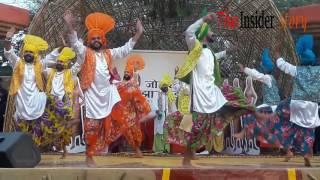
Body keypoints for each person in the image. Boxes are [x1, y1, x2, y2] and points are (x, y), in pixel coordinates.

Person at [175, 11, 259, 166]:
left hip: (213, 92)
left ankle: (253, 113)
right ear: (205, 33)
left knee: (237, 95)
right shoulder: (195, 47)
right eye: (211, 30)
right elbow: (188, 31)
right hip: (200, 96)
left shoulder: (210, 53)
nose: (214, 33)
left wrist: (229, 51)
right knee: (200, 127)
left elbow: (217, 55)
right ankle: (188, 155)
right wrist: (203, 20)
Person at [64, 11, 144, 167]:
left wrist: (138, 33)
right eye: (93, 38)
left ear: (103, 40)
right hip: (93, 96)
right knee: (91, 127)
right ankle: (89, 155)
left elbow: (125, 49)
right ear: (89, 40)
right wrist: (70, 25)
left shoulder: (108, 53)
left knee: (124, 119)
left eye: (98, 38)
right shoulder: (85, 52)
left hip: (109, 94)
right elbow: (74, 41)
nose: (95, 40)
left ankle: (136, 147)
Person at [3, 28, 56, 146]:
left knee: (38, 122)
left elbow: (52, 56)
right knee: (20, 125)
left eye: (31, 52)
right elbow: (9, 52)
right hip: (22, 99)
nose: (28, 54)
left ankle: (36, 147)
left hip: (35, 99)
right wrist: (8, 38)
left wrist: (62, 47)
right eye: (26, 51)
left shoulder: (40, 64)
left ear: (35, 54)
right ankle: (23, 147)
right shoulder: (17, 63)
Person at [108, 58, 151, 157]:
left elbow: (135, 81)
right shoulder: (119, 84)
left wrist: (135, 70)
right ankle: (116, 150)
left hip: (131, 113)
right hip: (121, 112)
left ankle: (137, 151)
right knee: (122, 133)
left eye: (128, 72)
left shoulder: (132, 84)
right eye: (125, 72)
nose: (126, 73)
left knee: (134, 132)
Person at [40, 47, 76, 158]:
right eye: (58, 61)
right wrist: (56, 56)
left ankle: (64, 150)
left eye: (61, 61)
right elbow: (42, 66)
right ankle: (47, 147)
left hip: (63, 104)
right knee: (47, 126)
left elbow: (79, 63)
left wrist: (69, 59)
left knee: (64, 129)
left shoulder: (70, 72)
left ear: (66, 63)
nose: (59, 63)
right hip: (51, 104)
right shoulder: (50, 72)